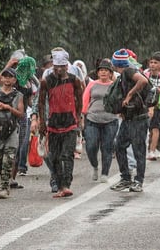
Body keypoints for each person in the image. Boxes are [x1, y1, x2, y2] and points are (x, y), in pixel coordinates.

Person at [38, 48, 82, 198]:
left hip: (70, 122)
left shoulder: (74, 80)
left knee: (67, 154)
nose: (58, 69)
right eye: (56, 66)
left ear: (66, 67)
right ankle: (59, 185)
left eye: (62, 66)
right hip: (53, 122)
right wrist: (41, 122)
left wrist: (79, 120)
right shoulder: (46, 81)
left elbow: (79, 101)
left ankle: (66, 185)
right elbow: (41, 103)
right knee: (54, 156)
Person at [109, 49, 150, 193]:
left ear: (116, 63)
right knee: (119, 145)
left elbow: (143, 81)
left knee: (139, 150)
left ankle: (139, 180)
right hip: (129, 118)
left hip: (139, 119)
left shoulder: (129, 71)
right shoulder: (124, 74)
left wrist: (129, 96)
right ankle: (126, 178)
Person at [0, 68, 24, 199]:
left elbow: (21, 114)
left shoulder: (18, 95)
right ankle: (5, 179)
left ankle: (3, 187)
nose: (7, 79)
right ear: (1, 78)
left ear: (14, 80)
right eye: (5, 76)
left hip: (12, 129)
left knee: (9, 158)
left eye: (10, 77)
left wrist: (7, 107)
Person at [82, 59, 118, 183]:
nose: (103, 72)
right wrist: (83, 115)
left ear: (110, 73)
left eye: (106, 70)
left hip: (110, 120)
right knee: (91, 145)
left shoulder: (114, 85)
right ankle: (95, 166)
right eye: (101, 70)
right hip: (92, 119)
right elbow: (85, 100)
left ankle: (105, 173)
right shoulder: (92, 84)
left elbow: (119, 100)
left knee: (107, 147)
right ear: (97, 73)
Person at [144, 53, 160, 161]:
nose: (153, 65)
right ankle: (145, 150)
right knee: (145, 129)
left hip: (158, 105)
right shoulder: (145, 74)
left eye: (155, 63)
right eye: (151, 62)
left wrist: (153, 89)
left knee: (155, 129)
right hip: (145, 105)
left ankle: (152, 151)